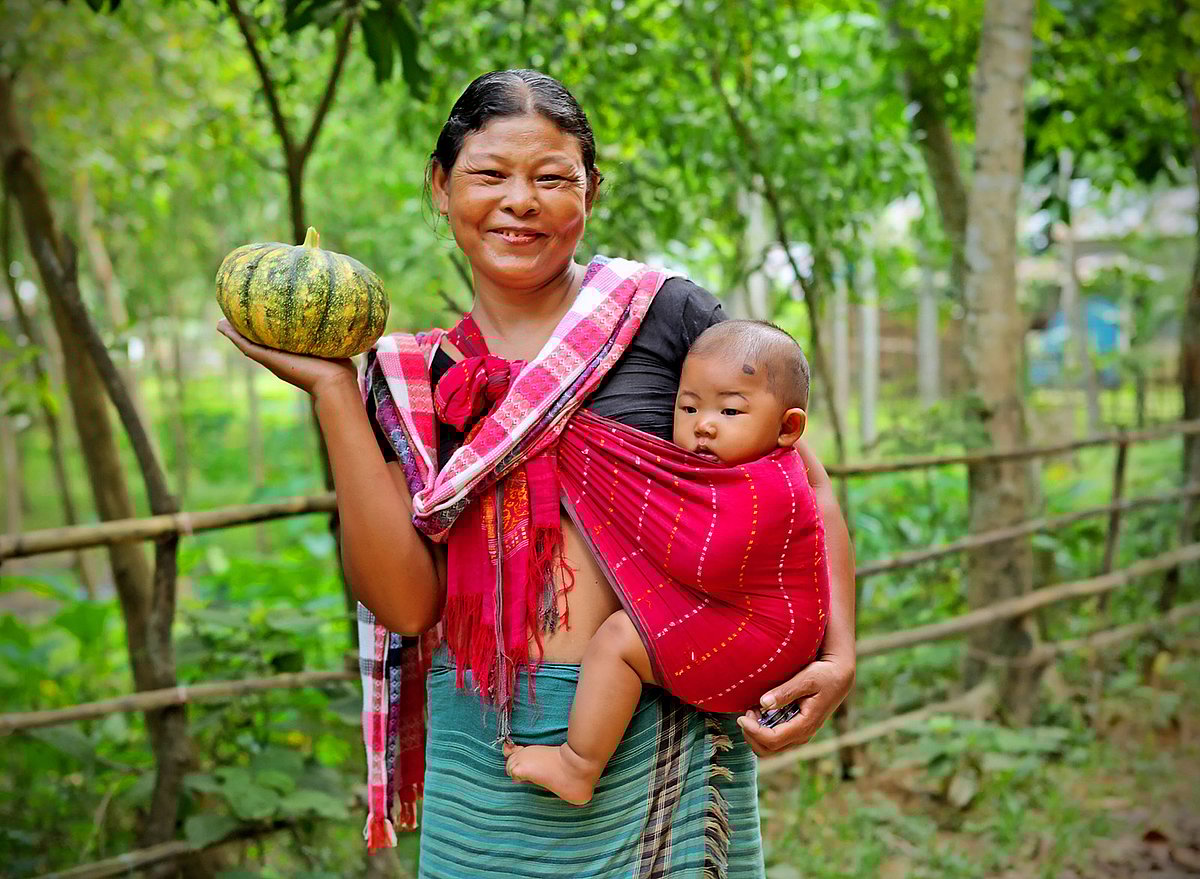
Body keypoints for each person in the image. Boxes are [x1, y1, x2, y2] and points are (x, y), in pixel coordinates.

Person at [218, 68, 855, 879]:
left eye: (553, 178)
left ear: (590, 192)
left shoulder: (660, 317)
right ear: (442, 187)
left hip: (657, 728)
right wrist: (335, 387)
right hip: (485, 743)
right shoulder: (418, 377)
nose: (520, 200)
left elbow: (806, 489)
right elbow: (409, 602)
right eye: (489, 174)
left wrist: (838, 658)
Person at [503, 319, 829, 806]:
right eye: (689, 406)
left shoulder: (771, 490)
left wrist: (601, 475)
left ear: (789, 428)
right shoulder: (747, 470)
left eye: (730, 410)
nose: (704, 423)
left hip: (762, 644)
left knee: (617, 641)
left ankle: (578, 764)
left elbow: (701, 557)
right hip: (761, 632)